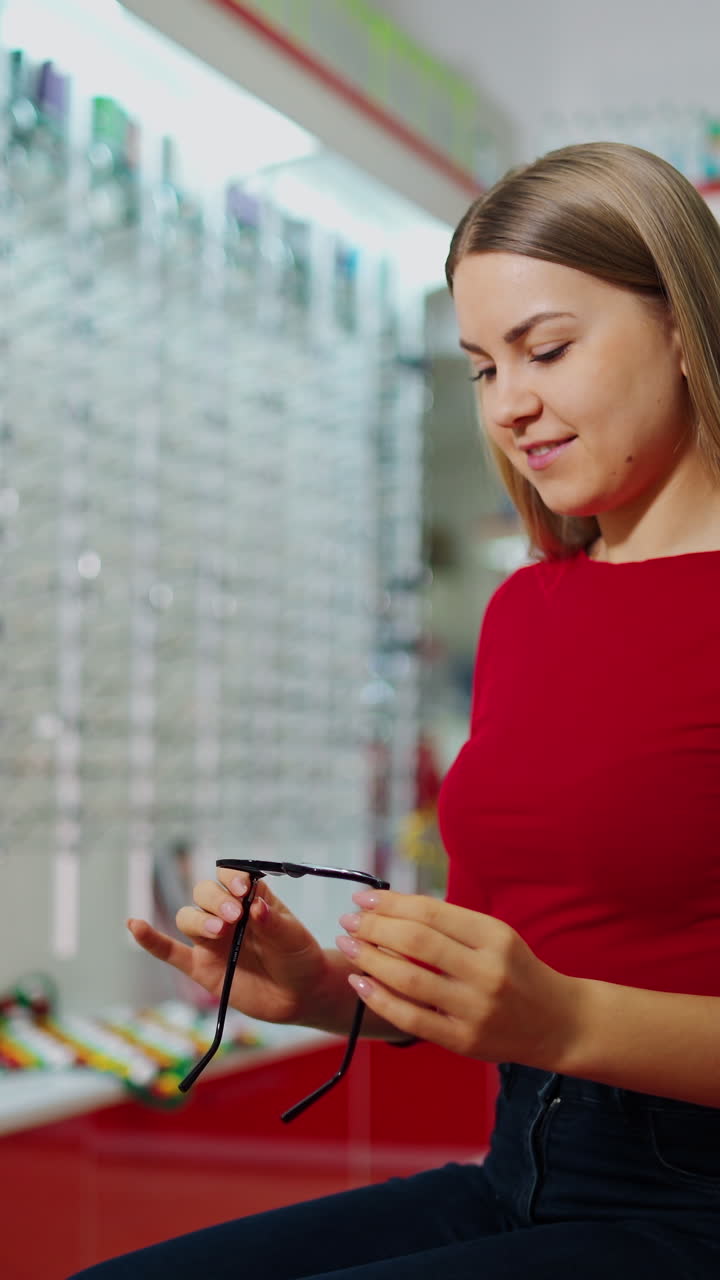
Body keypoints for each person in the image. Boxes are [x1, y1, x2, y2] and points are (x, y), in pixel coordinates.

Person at [69, 141, 720, 1278]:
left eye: (547, 349)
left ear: (682, 323)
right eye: (480, 367)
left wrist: (563, 1019)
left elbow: (551, 1004)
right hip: (521, 1168)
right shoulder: (527, 610)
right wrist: (327, 988)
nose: (512, 404)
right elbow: (502, 987)